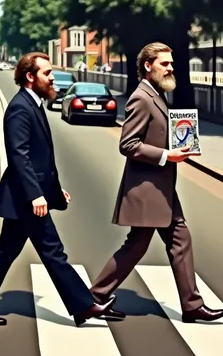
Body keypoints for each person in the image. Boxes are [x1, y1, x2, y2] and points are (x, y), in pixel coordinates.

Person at [0, 52, 122, 327]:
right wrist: (36, 195)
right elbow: (19, 156)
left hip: (26, 197)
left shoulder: (33, 104)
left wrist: (55, 192)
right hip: (25, 199)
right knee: (53, 251)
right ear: (30, 76)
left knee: (6, 251)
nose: (52, 78)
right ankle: (84, 306)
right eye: (47, 73)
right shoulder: (20, 108)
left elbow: (41, 159)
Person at [89, 42, 223, 323]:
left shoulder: (156, 94)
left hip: (161, 188)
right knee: (138, 245)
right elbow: (128, 144)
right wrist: (166, 155)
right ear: (148, 66)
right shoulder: (141, 97)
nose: (171, 68)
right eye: (165, 63)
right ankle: (94, 297)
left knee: (179, 238)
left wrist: (179, 146)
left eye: (171, 63)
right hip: (147, 189)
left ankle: (191, 305)